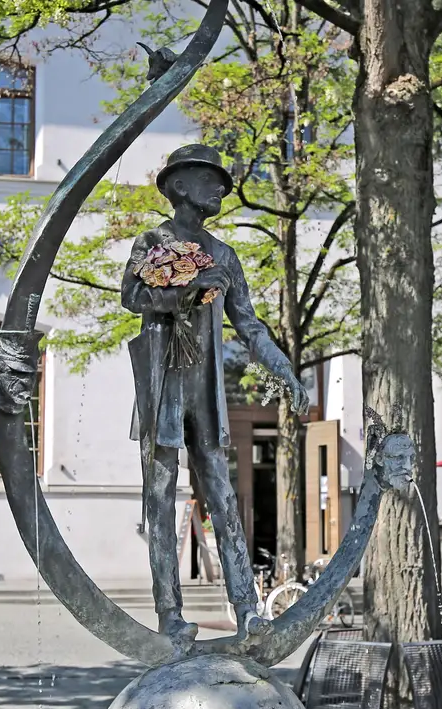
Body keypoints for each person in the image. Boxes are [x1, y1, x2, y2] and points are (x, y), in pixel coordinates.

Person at [121, 143, 309, 647]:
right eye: (212, 180)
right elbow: (133, 297)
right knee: (159, 498)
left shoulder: (224, 254)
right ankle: (170, 614)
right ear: (180, 185)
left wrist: (287, 372)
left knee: (223, 498)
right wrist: (187, 287)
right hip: (163, 385)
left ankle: (247, 608)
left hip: (205, 390)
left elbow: (249, 324)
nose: (222, 189)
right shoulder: (151, 240)